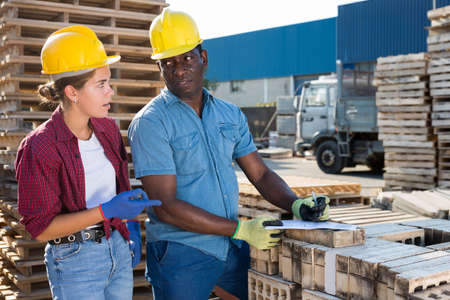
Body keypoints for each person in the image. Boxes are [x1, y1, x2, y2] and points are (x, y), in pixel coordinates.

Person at [128, 8, 329, 300]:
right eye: (168, 62)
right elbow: (166, 206)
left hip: (228, 248)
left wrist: (296, 205)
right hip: (181, 254)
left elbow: (259, 173)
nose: (179, 69)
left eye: (186, 57)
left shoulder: (229, 114)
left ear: (203, 58)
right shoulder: (151, 123)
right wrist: (241, 229)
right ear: (159, 67)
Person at [15, 25, 161, 300]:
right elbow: (41, 228)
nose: (111, 92)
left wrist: (127, 224)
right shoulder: (40, 147)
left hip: (116, 246)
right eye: (101, 84)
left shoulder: (107, 131)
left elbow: (117, 192)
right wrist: (106, 210)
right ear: (73, 92)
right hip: (75, 260)